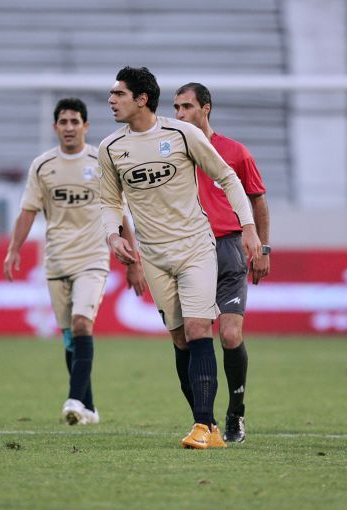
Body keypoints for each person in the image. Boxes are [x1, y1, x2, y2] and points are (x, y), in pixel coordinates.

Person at [99, 66, 262, 449]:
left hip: (195, 248)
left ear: (142, 99)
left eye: (119, 94)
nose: (111, 100)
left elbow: (227, 177)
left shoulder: (182, 134)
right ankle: (208, 426)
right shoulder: (110, 147)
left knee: (197, 328)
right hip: (154, 256)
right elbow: (109, 201)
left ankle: (203, 426)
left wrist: (249, 228)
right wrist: (113, 235)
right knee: (180, 340)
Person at [4, 98, 146, 426]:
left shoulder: (100, 161)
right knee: (70, 337)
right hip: (56, 261)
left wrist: (133, 263)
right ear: (55, 127)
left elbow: (120, 213)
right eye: (63, 122)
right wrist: (14, 250)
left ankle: (74, 400)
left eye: (75, 122)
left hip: (92, 258)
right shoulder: (43, 166)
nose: (69, 127)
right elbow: (28, 211)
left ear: (86, 126)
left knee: (82, 323)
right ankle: (90, 408)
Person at [172, 82, 270, 443]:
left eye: (186, 106)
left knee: (229, 334)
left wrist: (263, 247)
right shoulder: (172, 154)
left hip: (228, 248)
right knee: (188, 337)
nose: (179, 114)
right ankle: (205, 420)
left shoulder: (235, 152)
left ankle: (235, 413)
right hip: (187, 249)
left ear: (206, 109)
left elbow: (257, 200)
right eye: (176, 108)